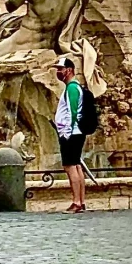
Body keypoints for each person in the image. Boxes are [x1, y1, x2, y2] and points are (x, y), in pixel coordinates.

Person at [54, 57, 89, 213]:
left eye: (60, 69)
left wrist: (66, 132)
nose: (58, 72)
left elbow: (73, 111)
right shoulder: (73, 87)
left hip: (71, 133)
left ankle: (76, 202)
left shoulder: (72, 88)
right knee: (76, 165)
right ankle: (81, 201)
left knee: (70, 166)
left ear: (68, 70)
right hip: (75, 132)